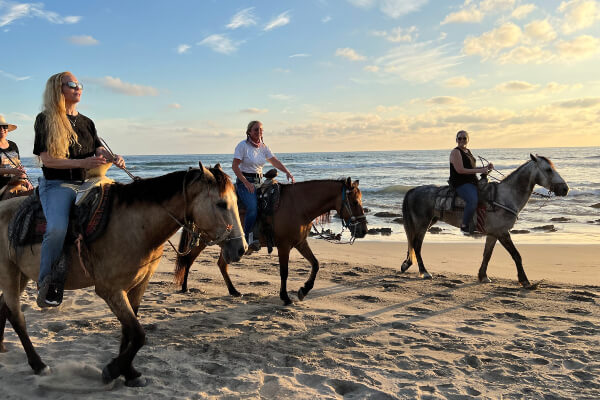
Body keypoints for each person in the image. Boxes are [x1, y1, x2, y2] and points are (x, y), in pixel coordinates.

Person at [33, 71, 126, 307]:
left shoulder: (87, 122)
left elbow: (97, 151)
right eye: (72, 84)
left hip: (87, 182)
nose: (78, 88)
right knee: (56, 228)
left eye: (79, 84)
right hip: (57, 184)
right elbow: (48, 160)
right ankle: (45, 282)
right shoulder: (45, 119)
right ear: (58, 89)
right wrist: (82, 163)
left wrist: (112, 157)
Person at [232, 120, 295, 252]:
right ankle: (246, 238)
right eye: (256, 129)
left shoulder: (263, 147)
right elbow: (235, 166)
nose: (259, 132)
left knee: (274, 202)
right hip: (245, 181)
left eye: (261, 130)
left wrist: (287, 172)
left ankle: (266, 235)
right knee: (253, 207)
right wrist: (245, 182)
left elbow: (274, 161)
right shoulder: (242, 146)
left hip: (260, 181)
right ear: (249, 131)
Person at [449, 130, 493, 235]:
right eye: (460, 138)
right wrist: (480, 170)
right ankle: (464, 225)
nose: (462, 140)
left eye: (464, 138)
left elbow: (471, 168)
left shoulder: (468, 151)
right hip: (460, 182)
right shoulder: (455, 152)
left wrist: (486, 168)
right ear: (456, 140)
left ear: (468, 140)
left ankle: (482, 223)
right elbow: (460, 170)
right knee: (472, 200)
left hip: (472, 181)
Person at [0, 115, 33, 197]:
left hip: (17, 182)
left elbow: (18, 165)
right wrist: (10, 171)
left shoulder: (13, 145)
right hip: (2, 185)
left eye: (4, 127)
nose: (2, 129)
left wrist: (26, 181)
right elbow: (13, 169)